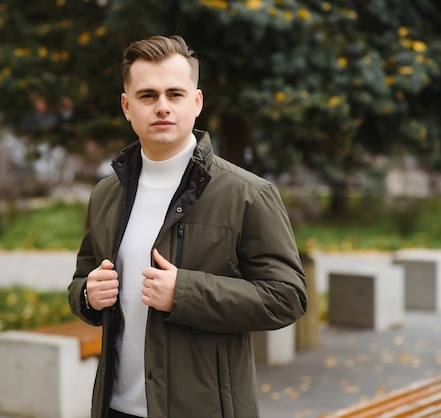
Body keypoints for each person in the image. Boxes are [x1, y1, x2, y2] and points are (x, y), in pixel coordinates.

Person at [68, 35, 307, 418]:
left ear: (196, 103)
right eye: (148, 96)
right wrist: (86, 296)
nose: (162, 107)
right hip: (115, 409)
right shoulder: (106, 195)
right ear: (127, 107)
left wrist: (185, 292)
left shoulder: (249, 194)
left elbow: (287, 297)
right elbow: (83, 280)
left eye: (174, 94)